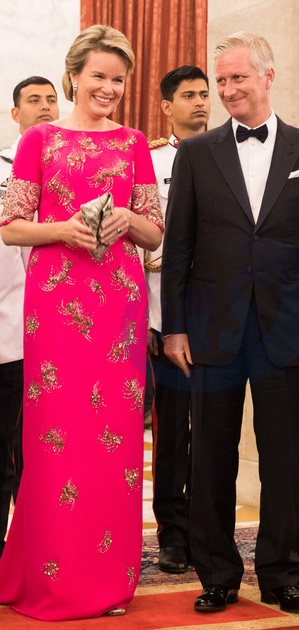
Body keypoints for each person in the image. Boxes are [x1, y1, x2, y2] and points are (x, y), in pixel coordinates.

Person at [161, 31, 299, 614]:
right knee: (210, 455)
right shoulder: (195, 153)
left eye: (238, 77)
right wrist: (174, 327)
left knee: (282, 458)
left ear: (268, 76)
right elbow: (179, 246)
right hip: (210, 328)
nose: (227, 89)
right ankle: (217, 574)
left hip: (286, 330)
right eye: (221, 81)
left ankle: (282, 576)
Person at [0, 25, 163, 620]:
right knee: (55, 439)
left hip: (119, 305)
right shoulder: (38, 139)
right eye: (99, 76)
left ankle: (107, 580)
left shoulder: (134, 143)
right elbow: (11, 226)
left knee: (113, 443)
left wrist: (126, 220)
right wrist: (63, 230)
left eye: (118, 79)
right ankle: (51, 576)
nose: (109, 88)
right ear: (74, 75)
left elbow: (154, 232)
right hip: (56, 304)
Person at [145, 65, 210, 574]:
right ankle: (172, 530)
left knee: (214, 429)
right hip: (166, 311)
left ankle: (209, 529)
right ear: (167, 106)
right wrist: (153, 318)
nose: (201, 102)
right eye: (189, 95)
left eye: (204, 94)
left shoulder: (229, 154)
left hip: (222, 311)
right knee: (172, 429)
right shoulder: (149, 161)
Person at [0, 76, 59, 557]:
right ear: (15, 113)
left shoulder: (68, 169)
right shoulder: (5, 170)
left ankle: (38, 548)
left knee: (44, 450)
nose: (44, 108)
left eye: (51, 100)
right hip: (11, 331)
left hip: (55, 328)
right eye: (33, 101)